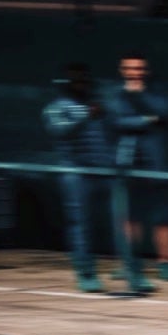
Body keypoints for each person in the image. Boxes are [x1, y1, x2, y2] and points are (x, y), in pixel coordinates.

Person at [103, 52, 168, 288]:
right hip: (126, 164)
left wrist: (139, 104)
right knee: (129, 216)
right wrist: (146, 120)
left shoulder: (159, 93)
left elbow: (166, 114)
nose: (135, 72)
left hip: (157, 163)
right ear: (122, 70)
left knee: (163, 216)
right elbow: (115, 122)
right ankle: (127, 263)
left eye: (139, 68)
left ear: (146, 70)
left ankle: (166, 263)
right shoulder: (114, 96)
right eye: (130, 68)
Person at [41, 63, 117, 293]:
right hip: (76, 175)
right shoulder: (55, 108)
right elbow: (59, 130)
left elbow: (108, 139)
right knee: (81, 225)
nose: (80, 84)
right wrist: (86, 115)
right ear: (65, 83)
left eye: (84, 79)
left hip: (104, 172)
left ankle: (128, 269)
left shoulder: (98, 107)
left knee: (119, 222)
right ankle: (86, 273)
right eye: (75, 80)